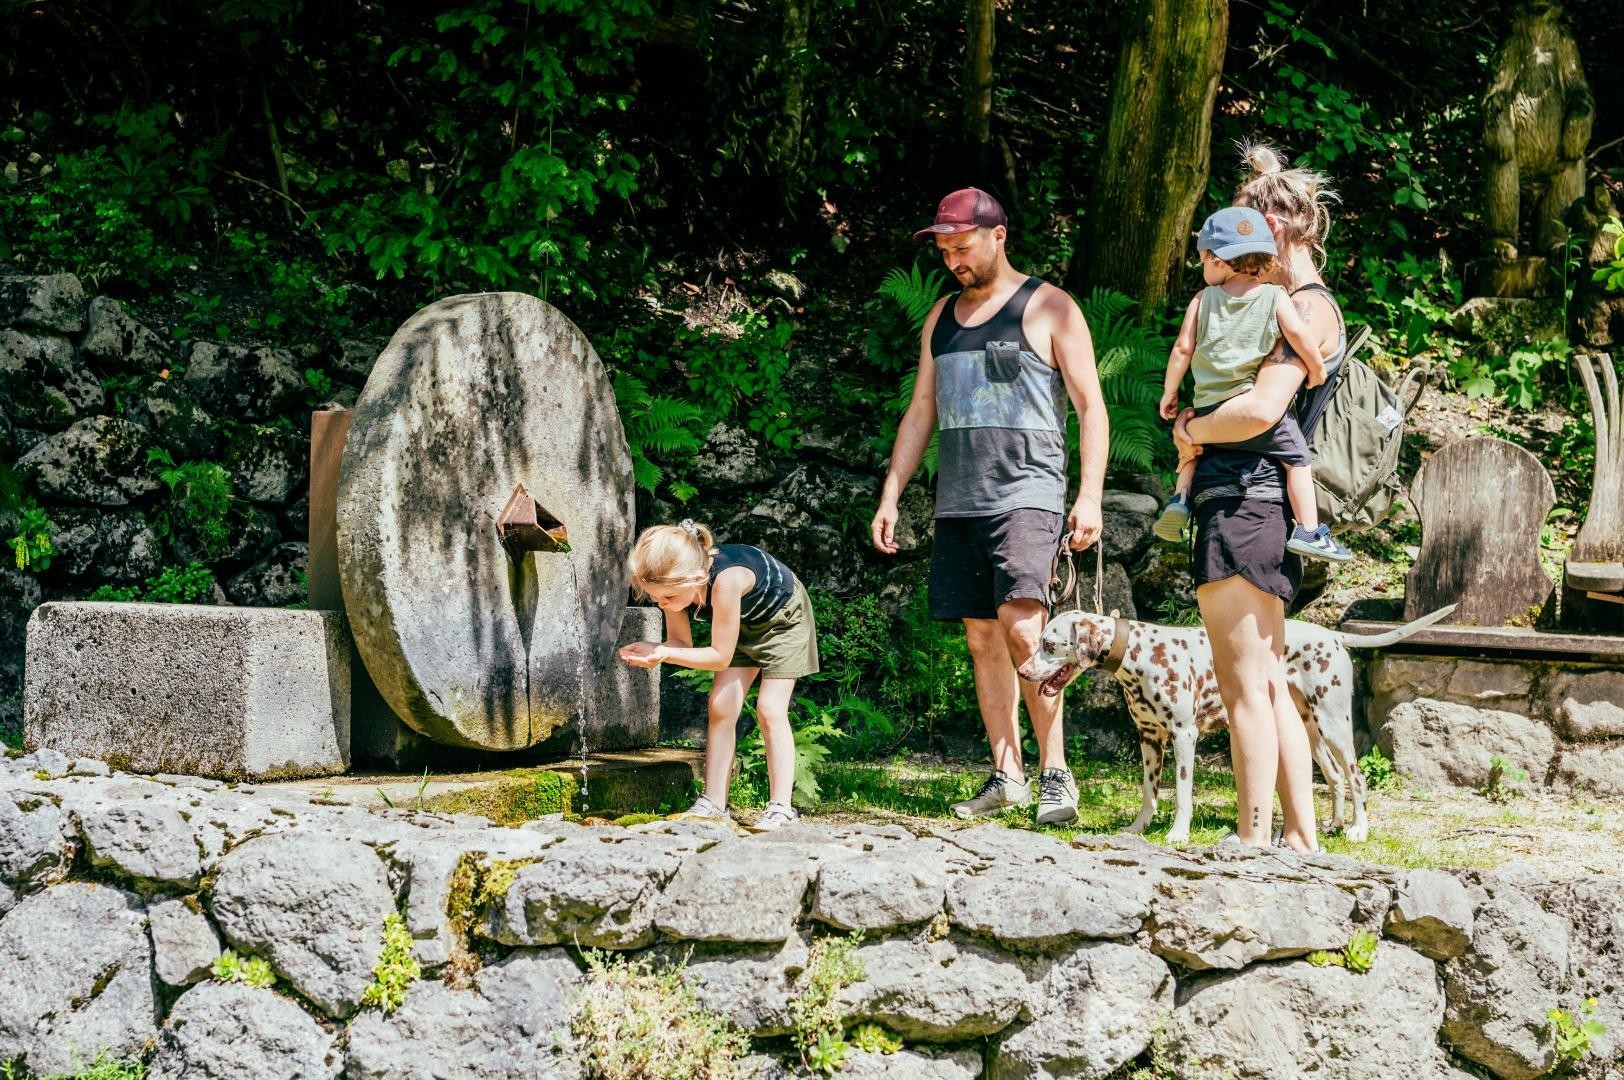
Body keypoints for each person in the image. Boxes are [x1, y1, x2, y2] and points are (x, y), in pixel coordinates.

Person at [871, 187, 1108, 826]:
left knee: (1024, 627)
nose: (953, 261)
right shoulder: (942, 317)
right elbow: (921, 409)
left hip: (1028, 493)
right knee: (981, 637)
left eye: (962, 246)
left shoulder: (1050, 306)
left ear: (998, 236)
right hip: (959, 500)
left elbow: (1091, 406)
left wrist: (1088, 496)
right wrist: (893, 492)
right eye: (944, 251)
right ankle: (1007, 775)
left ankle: (1056, 774)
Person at [1171, 142, 1347, 852]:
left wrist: (1189, 427)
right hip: (1260, 499)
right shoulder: (1294, 305)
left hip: (1244, 496)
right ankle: (1300, 839)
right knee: (1270, 683)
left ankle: (1250, 841)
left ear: (1272, 232)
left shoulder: (1295, 308)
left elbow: (1257, 413)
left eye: (1241, 228)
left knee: (1244, 686)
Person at [1153, 205, 1352, 564]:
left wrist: (1169, 392)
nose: (1202, 269)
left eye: (1203, 260)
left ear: (1219, 259)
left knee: (1191, 449)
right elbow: (1299, 336)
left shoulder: (1202, 300)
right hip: (1246, 403)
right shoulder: (1274, 296)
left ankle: (1180, 498)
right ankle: (1308, 530)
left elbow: (1182, 348)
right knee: (1297, 460)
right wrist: (1317, 368)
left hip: (1208, 404)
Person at [620, 519, 819, 832]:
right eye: (655, 598)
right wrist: (658, 649)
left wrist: (666, 653)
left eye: (667, 598)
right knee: (721, 705)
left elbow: (719, 656)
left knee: (770, 709)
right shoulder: (674, 587)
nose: (662, 604)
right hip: (741, 620)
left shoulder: (725, 582)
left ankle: (781, 808)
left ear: (697, 577)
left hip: (783, 619)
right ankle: (714, 803)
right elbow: (679, 644)